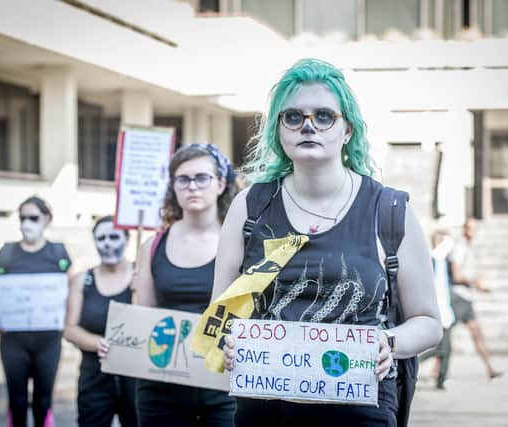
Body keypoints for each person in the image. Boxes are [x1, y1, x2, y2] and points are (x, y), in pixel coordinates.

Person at [215, 59, 442, 427]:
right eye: (293, 117)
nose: (308, 126)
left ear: (347, 130)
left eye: (324, 116)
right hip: (265, 411)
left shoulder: (389, 209)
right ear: (279, 130)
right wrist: (230, 342)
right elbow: (221, 313)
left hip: (359, 410)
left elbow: (429, 322)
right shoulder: (250, 206)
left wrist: (389, 342)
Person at [132, 143, 238, 427]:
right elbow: (140, 319)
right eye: (183, 179)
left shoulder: (243, 243)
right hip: (161, 390)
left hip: (225, 387)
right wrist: (119, 344)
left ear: (221, 184)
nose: (192, 186)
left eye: (202, 177)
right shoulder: (151, 246)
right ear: (173, 187)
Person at [0, 196, 71, 427]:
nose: (26, 223)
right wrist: (1, 313)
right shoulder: (7, 252)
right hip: (13, 340)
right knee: (17, 400)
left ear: (46, 220)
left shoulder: (58, 253)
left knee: (44, 400)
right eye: (22, 218)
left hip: (48, 340)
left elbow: (70, 291)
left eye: (33, 218)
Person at [63, 215, 138, 427]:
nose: (107, 243)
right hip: (94, 376)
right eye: (101, 238)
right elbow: (69, 329)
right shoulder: (82, 280)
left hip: (134, 377)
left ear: (127, 238)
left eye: (114, 237)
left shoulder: (141, 275)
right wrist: (99, 343)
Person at [450, 218, 503, 379]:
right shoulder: (459, 247)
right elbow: (457, 275)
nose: (473, 232)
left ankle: (490, 369)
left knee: (476, 333)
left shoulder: (468, 247)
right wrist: (476, 284)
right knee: (444, 338)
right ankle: (433, 369)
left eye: (475, 228)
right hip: (458, 297)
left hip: (466, 297)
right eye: (470, 228)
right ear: (464, 230)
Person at [419, 230, 456, 390]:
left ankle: (440, 380)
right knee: (443, 348)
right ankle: (416, 362)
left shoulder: (444, 262)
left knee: (444, 348)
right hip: (436, 310)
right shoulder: (430, 261)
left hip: (446, 310)